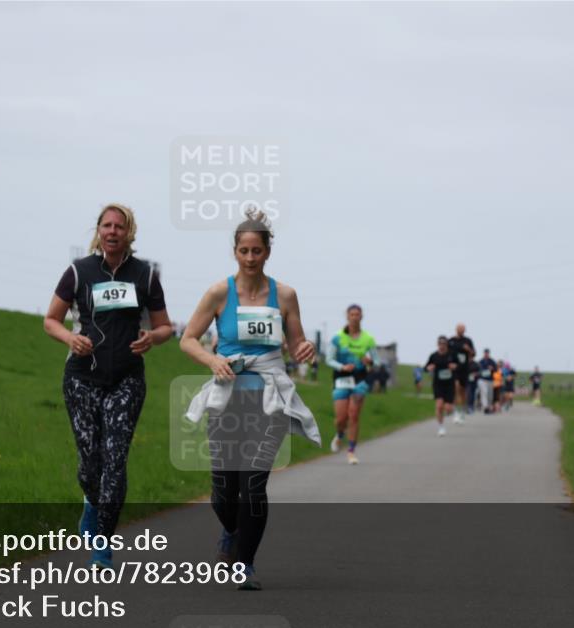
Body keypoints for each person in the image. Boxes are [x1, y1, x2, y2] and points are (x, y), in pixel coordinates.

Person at [180, 207, 320, 591]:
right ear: (235, 251)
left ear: (267, 252)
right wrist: (212, 360)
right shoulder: (219, 293)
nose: (251, 258)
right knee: (223, 493)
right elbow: (187, 339)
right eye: (244, 251)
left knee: (253, 486)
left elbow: (296, 344)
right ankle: (232, 533)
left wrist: (304, 348)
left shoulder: (286, 295)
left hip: (269, 400)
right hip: (228, 401)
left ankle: (245, 564)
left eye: (257, 251)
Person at [44, 203, 173, 569]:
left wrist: (153, 338)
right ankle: (91, 503)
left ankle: (102, 542)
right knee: (91, 465)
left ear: (129, 233)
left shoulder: (144, 275)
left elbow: (166, 327)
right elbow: (51, 320)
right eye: (106, 225)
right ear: (98, 231)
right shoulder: (78, 271)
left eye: (120, 226)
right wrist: (70, 340)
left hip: (127, 379)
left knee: (115, 462)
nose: (113, 231)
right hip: (82, 379)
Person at [325, 304, 378, 464]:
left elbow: (377, 360)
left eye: (357, 314)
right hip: (341, 379)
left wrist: (370, 361)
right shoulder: (337, 337)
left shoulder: (368, 338)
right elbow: (328, 360)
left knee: (354, 416)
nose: (355, 317)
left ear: (361, 317)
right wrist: (342, 366)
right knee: (341, 419)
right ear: (347, 317)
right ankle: (340, 434)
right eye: (352, 314)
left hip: (360, 380)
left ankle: (351, 451)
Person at [426, 336, 459, 437]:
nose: (442, 346)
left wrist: (454, 366)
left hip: (449, 384)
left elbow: (458, 365)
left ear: (446, 345)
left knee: (447, 407)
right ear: (438, 344)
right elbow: (426, 367)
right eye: (440, 343)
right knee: (439, 405)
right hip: (438, 384)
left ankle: (454, 411)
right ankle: (441, 427)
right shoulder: (433, 356)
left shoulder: (452, 355)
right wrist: (429, 368)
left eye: (444, 344)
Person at [448, 324, 475, 425]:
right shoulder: (451, 341)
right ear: (456, 329)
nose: (461, 331)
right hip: (454, 369)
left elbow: (473, 354)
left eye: (463, 329)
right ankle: (455, 412)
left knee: (463, 392)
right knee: (456, 388)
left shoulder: (468, 341)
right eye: (459, 329)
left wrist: (469, 350)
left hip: (464, 369)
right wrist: (449, 363)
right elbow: (446, 353)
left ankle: (462, 411)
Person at [477, 349, 497, 414]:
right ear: (484, 353)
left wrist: (492, 368)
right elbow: (478, 370)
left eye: (487, 353)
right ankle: (485, 407)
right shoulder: (480, 361)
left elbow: (496, 369)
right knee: (484, 393)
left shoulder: (492, 361)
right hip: (482, 380)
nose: (486, 354)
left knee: (490, 395)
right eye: (485, 353)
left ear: (489, 353)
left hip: (490, 380)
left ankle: (489, 406)